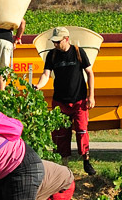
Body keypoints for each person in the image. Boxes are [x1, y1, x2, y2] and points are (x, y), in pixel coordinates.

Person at [36, 26, 96, 176]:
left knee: (82, 130)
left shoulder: (78, 52)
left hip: (79, 100)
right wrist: (38, 85)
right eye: (53, 42)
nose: (55, 44)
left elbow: (90, 73)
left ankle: (86, 161)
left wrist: (91, 96)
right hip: (60, 101)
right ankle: (64, 167)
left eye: (57, 42)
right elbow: (46, 74)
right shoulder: (52, 55)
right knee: (61, 134)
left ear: (66, 39)